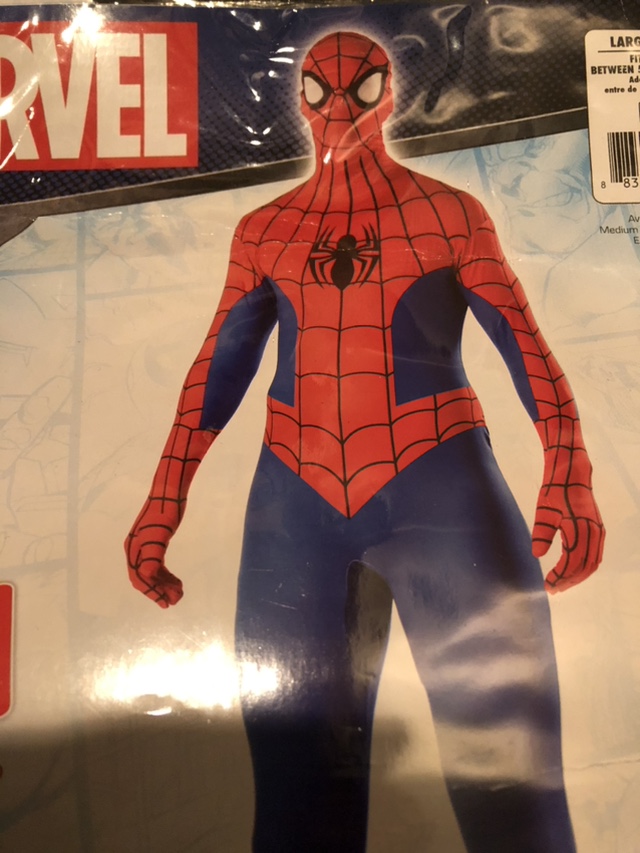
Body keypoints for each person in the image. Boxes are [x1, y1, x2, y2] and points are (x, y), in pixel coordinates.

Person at [126, 31, 604, 853]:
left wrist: (569, 463)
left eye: (361, 89)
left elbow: (523, 342)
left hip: (441, 483)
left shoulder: (448, 214)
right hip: (296, 500)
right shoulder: (265, 231)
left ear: (390, 96)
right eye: (321, 91)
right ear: (300, 101)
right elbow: (218, 368)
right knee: (295, 807)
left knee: (514, 790)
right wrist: (161, 503)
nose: (340, 108)